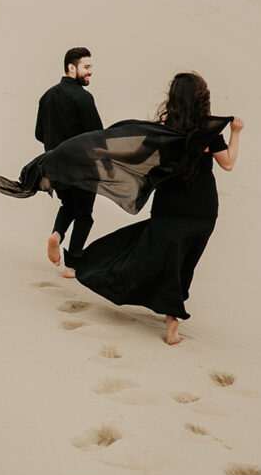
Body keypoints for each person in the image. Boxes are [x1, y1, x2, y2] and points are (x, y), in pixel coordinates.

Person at [72, 72, 243, 345]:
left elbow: (137, 156)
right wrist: (235, 133)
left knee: (162, 255)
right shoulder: (209, 130)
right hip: (203, 208)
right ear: (202, 99)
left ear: (173, 98)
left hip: (170, 203)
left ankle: (168, 311)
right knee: (185, 260)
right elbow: (229, 163)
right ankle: (172, 314)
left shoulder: (165, 128)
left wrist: (105, 152)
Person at [35, 47, 103, 278]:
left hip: (55, 166)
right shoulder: (83, 98)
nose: (90, 72)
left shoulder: (47, 96)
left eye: (91, 67)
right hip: (82, 167)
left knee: (69, 206)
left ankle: (56, 235)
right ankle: (72, 265)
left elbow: (38, 134)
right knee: (84, 215)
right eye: (86, 67)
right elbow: (97, 136)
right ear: (71, 68)